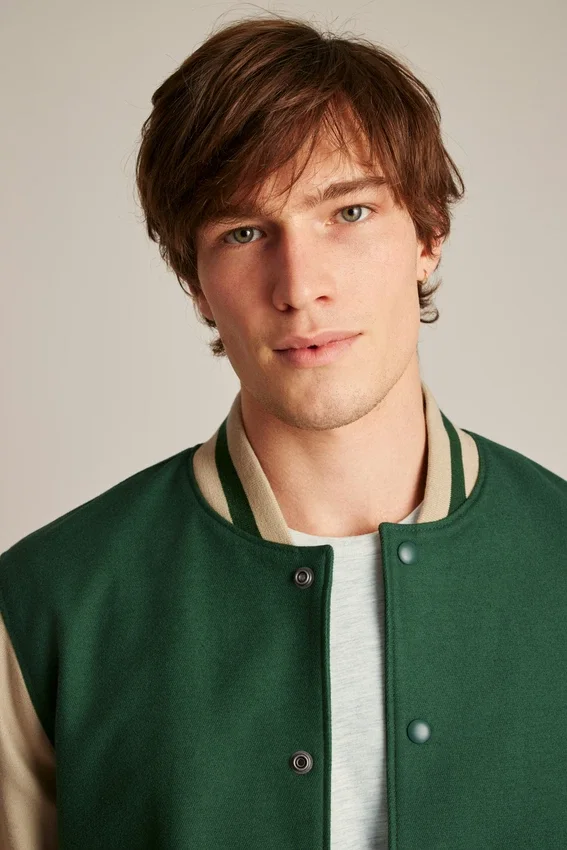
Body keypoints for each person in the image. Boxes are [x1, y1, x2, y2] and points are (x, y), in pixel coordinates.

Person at [1, 13, 566, 850]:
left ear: (428, 236)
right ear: (196, 283)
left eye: (349, 212)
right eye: (243, 232)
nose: (299, 285)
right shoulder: (46, 604)